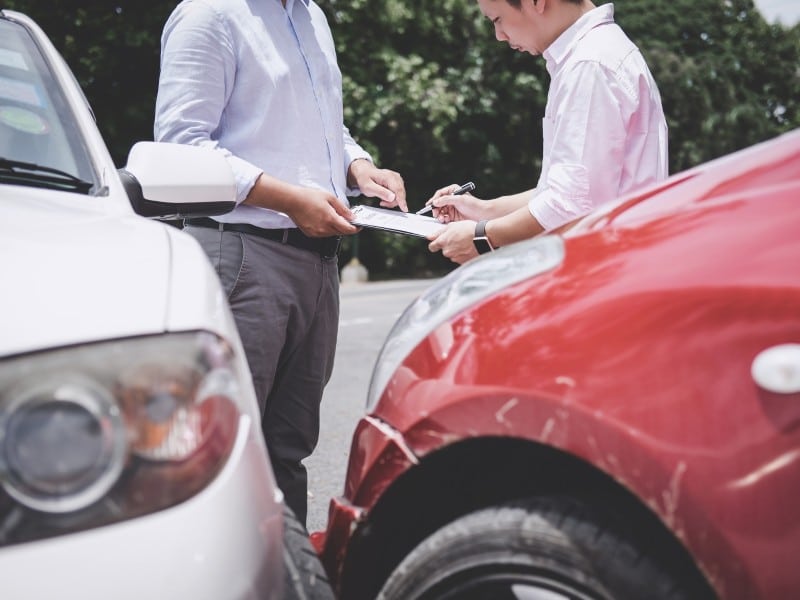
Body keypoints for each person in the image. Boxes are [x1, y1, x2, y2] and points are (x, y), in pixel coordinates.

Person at [154, 0, 406, 526]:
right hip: (242, 255)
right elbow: (180, 147)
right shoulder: (209, 15)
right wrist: (292, 201)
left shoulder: (311, 15)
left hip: (316, 263)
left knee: (287, 450)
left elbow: (318, 127)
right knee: (225, 452)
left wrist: (359, 164)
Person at [427, 0, 668, 264]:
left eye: (497, 20)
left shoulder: (589, 65)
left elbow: (570, 203)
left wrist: (483, 237)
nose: (499, 36)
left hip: (610, 268)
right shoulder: (592, 55)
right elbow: (574, 189)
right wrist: (485, 210)